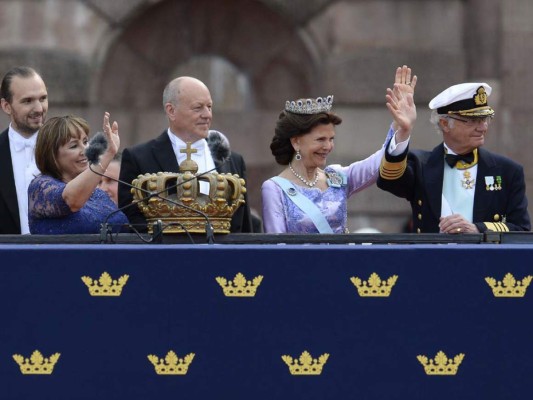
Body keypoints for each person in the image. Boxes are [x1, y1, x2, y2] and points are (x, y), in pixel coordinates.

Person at [261, 66, 417, 233]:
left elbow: (377, 164)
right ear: (296, 142)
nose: (328, 146)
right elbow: (277, 249)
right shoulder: (274, 189)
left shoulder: (336, 178)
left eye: (331, 139)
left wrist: (402, 128)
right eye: (320, 139)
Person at [378, 76, 530, 233]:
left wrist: (478, 230)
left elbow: (522, 229)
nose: (482, 127)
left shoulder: (508, 171)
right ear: (445, 124)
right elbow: (388, 181)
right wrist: (403, 130)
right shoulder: (421, 165)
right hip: (432, 257)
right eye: (472, 120)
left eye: (484, 119)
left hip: (483, 257)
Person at [118, 76, 253, 233]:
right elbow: (132, 222)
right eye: (198, 108)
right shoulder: (138, 158)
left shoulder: (233, 160)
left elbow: (243, 226)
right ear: (171, 111)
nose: (207, 115)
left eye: (209, 107)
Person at [28, 113, 128, 234]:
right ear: (52, 155)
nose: (85, 150)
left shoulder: (98, 194)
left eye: (85, 142)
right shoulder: (40, 187)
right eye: (74, 146)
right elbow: (72, 201)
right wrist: (108, 155)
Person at [0, 66, 48, 234]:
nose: (39, 108)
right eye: (28, 101)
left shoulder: (64, 148)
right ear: (6, 106)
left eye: (42, 98)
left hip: (59, 255)